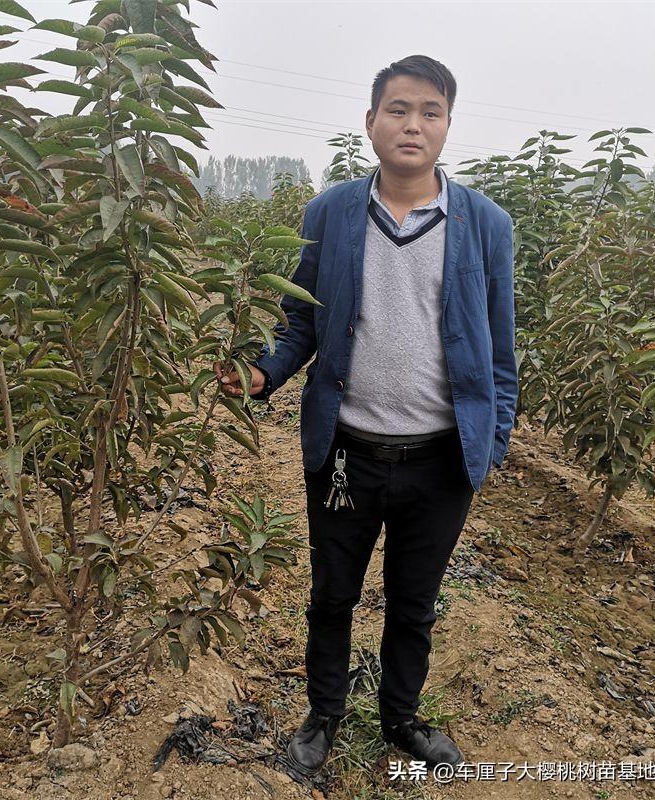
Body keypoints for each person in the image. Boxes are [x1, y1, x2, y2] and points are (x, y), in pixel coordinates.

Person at [213, 55, 518, 775]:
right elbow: (300, 322)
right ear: (371, 120)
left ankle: (401, 720)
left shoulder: (484, 225)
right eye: (399, 109)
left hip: (442, 460)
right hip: (347, 451)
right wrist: (262, 371)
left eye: (430, 111)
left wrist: (491, 441)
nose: (414, 124)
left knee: (415, 604)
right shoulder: (331, 213)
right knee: (333, 594)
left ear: (447, 124)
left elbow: (501, 347)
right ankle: (323, 717)